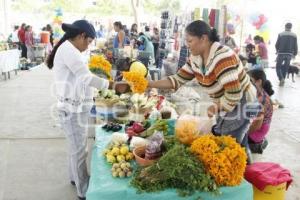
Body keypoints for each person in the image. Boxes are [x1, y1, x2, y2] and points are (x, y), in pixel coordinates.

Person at [147, 20, 258, 162]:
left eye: (190, 41)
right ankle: (247, 174)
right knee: (238, 142)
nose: (187, 45)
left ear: (204, 38)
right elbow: (176, 80)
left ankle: (241, 176)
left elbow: (234, 94)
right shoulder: (195, 58)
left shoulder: (223, 57)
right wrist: (149, 84)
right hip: (227, 101)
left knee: (229, 143)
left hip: (243, 102)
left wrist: (216, 106)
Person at [46, 19, 120, 200]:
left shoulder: (70, 49)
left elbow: (81, 79)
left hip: (76, 106)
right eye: (88, 41)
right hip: (71, 109)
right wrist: (112, 85)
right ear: (80, 36)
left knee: (76, 148)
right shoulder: (68, 51)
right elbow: (86, 78)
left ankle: (75, 178)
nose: (88, 46)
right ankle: (83, 191)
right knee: (79, 151)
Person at [247, 69, 274, 154]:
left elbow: (256, 126)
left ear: (258, 82)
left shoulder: (261, 100)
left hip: (257, 131)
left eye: (249, 80)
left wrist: (241, 133)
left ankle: (256, 144)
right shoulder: (257, 93)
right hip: (260, 129)